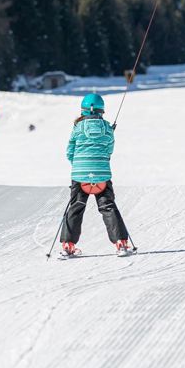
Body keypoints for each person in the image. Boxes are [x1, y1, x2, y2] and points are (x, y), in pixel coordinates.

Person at [60, 93, 131, 257]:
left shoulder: (77, 128)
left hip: (80, 174)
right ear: (101, 110)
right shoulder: (107, 128)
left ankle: (68, 245)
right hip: (101, 174)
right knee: (107, 206)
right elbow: (109, 150)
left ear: (83, 111)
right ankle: (121, 243)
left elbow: (69, 152)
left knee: (76, 207)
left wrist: (78, 165)